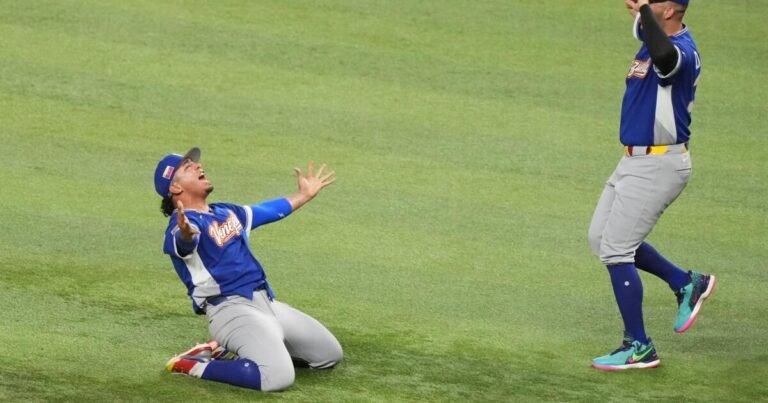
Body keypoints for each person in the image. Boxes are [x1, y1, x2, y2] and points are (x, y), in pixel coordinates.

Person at [587, 0, 715, 370]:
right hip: (633, 160)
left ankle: (639, 346)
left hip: (660, 164)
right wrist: (642, 12)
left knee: (616, 250)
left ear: (673, 10)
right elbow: (649, 34)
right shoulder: (653, 35)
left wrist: (646, 13)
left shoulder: (682, 53)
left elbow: (663, 53)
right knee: (601, 238)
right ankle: (685, 282)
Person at [153, 147, 343, 390]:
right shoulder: (178, 227)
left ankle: (224, 349)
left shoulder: (225, 211)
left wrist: (303, 195)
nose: (199, 166)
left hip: (267, 305)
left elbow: (267, 210)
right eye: (187, 167)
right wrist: (186, 235)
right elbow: (183, 242)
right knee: (277, 377)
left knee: (328, 355)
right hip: (230, 310)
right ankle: (189, 364)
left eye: (196, 163)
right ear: (175, 188)